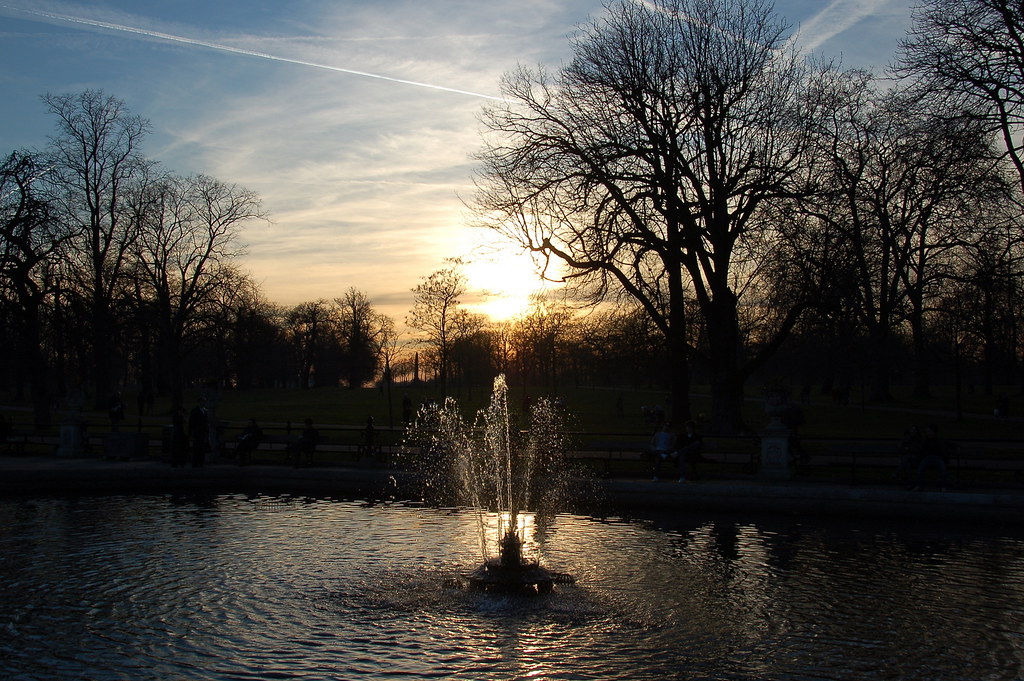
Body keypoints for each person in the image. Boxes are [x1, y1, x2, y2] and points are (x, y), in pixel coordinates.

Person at [913, 424, 950, 491]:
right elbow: (920, 450)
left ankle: (944, 486)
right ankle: (919, 485)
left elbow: (949, 444)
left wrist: (957, 448)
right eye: (927, 431)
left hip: (937, 458)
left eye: (929, 431)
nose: (928, 433)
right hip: (927, 458)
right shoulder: (925, 440)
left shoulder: (939, 440)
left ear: (934, 432)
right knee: (919, 470)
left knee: (943, 470)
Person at [188, 399, 209, 468]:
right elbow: (191, 422)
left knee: (201, 448)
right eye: (202, 402)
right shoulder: (195, 411)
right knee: (197, 448)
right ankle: (196, 462)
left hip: (202, 432)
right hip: (197, 432)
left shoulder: (204, 411)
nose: (203, 403)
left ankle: (200, 462)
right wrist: (191, 432)